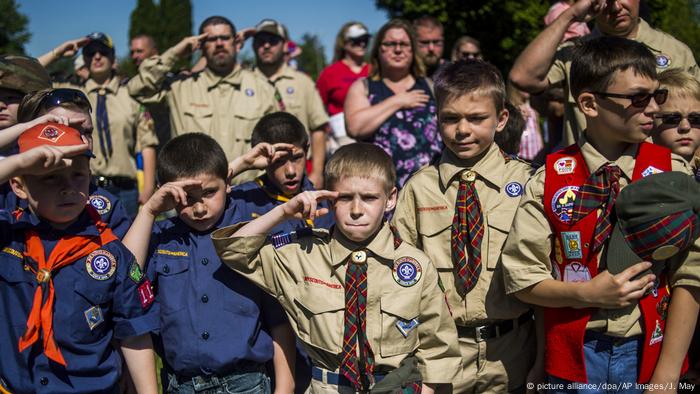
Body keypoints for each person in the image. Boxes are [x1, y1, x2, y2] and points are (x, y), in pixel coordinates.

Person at [501, 37, 700, 391]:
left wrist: (668, 376)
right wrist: (587, 294)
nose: (652, 108)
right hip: (572, 358)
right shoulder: (549, 179)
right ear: (590, 104)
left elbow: (692, 275)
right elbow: (523, 276)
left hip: (649, 352)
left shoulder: (673, 174)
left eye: (658, 96)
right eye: (638, 98)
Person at [212, 143, 461, 393]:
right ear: (329, 199)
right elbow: (232, 249)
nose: (355, 210)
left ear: (390, 199)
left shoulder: (414, 265)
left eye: (369, 198)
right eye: (344, 198)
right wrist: (283, 212)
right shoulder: (303, 255)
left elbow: (438, 349)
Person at [391, 60, 537, 393]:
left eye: (476, 118)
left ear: (501, 120)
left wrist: (541, 361)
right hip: (440, 354)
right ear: (437, 119)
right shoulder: (418, 189)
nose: (463, 130)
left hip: (512, 352)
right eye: (451, 118)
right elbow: (399, 279)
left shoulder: (528, 182)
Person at [122, 133, 295, 394]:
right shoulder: (159, 236)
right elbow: (125, 276)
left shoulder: (248, 230)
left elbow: (279, 319)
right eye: (187, 198)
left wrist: (285, 387)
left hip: (245, 383)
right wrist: (148, 210)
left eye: (209, 193)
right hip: (181, 384)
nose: (200, 208)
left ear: (228, 182)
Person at [0, 122, 157, 393]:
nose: (68, 187)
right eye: (49, 176)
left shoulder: (110, 251)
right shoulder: (7, 236)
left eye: (78, 175)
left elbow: (134, 334)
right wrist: (19, 163)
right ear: (18, 185)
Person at [510, 0, 700, 148]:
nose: (616, 7)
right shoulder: (574, 53)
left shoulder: (676, 53)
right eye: (606, 1)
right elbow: (522, 77)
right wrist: (570, 15)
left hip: (656, 178)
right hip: (588, 183)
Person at [127, 16, 277, 184]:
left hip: (248, 195)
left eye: (225, 38)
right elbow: (136, 89)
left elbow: (277, 143)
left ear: (236, 42)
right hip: (194, 197)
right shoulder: (180, 88)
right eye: (211, 39)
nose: (219, 43)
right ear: (201, 46)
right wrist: (175, 53)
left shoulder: (263, 89)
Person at [40, 32, 159, 217]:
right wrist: (58, 52)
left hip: (126, 189)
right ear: (84, 59)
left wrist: (149, 188)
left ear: (113, 57)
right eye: (90, 52)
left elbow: (147, 143)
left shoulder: (130, 94)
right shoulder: (71, 94)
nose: (96, 56)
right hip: (84, 185)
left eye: (103, 51)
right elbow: (25, 74)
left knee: (127, 243)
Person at [14, 88, 132, 238]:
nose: (83, 143)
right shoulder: (7, 196)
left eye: (88, 133)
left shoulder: (107, 210)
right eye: (68, 130)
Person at [345, 19, 441, 187]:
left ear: (413, 50)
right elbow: (355, 128)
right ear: (378, 50)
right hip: (380, 188)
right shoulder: (364, 87)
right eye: (390, 44)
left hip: (429, 187)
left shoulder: (429, 85)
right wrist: (398, 101)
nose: (397, 50)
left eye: (404, 44)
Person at [250, 19, 329, 188]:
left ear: (285, 45)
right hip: (253, 178)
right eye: (260, 41)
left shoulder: (303, 82)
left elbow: (318, 129)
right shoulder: (242, 82)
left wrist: (317, 172)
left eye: (272, 41)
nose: (266, 46)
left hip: (295, 177)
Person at [231, 112, 334, 234]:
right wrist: (243, 163)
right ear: (262, 158)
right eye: (279, 161)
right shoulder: (242, 200)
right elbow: (206, 188)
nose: (290, 171)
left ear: (307, 150)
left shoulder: (324, 201)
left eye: (297, 158)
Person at [316, 22, 370, 152]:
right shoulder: (330, 73)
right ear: (344, 43)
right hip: (341, 137)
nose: (362, 44)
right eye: (356, 40)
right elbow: (317, 108)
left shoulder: (374, 71)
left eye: (365, 40)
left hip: (371, 133)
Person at [650, 69, 700, 181]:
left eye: (696, 118)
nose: (685, 127)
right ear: (650, 120)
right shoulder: (639, 172)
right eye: (672, 118)